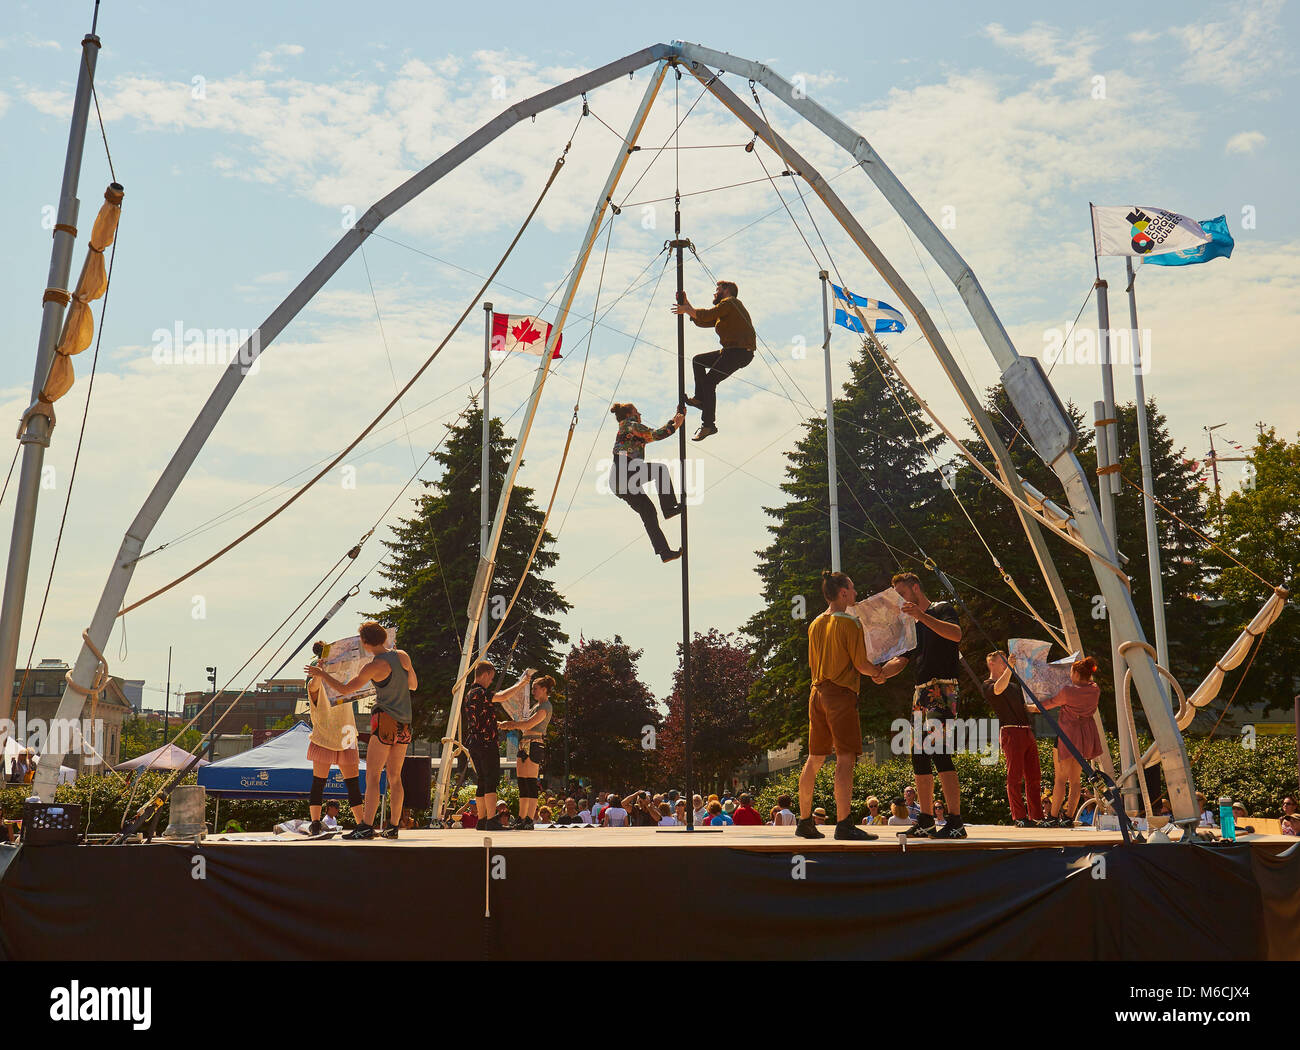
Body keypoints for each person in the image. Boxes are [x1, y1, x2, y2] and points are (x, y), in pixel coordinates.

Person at [876, 572, 967, 840]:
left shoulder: (941, 609)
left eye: (903, 593)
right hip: (920, 692)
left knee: (938, 750)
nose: (901, 600)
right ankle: (926, 819)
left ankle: (956, 821)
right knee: (918, 755)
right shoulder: (911, 626)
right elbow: (902, 660)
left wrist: (922, 616)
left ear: (916, 588)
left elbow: (956, 634)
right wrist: (880, 672)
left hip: (943, 688)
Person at [305, 621, 416, 840]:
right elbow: (413, 685)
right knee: (395, 777)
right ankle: (393, 827)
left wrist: (322, 674)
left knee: (373, 776)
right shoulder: (402, 656)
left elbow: (345, 689)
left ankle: (365, 826)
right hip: (405, 723)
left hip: (384, 721)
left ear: (364, 643)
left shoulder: (373, 666)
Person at [797, 570, 882, 842]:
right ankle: (844, 823)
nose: (856, 594)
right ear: (843, 593)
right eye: (853, 589)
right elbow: (861, 665)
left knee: (815, 758)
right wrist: (880, 671)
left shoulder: (814, 624)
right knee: (846, 758)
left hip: (816, 692)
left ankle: (804, 821)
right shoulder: (850, 623)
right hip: (840, 693)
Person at [670, 279, 757, 441]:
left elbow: (707, 315)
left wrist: (687, 308)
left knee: (710, 382)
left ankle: (708, 425)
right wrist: (686, 304)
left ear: (726, 290)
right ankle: (700, 398)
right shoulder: (726, 310)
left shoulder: (730, 303)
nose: (714, 292)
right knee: (698, 361)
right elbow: (703, 320)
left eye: (717, 289)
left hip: (740, 352)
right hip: (731, 351)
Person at [303, 640, 367, 837]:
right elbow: (313, 687)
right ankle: (315, 822)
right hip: (327, 733)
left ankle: (361, 824)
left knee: (351, 783)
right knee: (320, 781)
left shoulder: (343, 677)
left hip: (342, 732)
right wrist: (319, 673)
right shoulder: (316, 679)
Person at [608, 402, 686, 563]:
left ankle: (664, 553)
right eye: (638, 412)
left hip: (618, 482)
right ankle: (669, 508)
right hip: (625, 473)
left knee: (649, 513)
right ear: (630, 414)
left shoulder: (627, 428)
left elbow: (650, 435)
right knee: (660, 470)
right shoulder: (630, 425)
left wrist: (675, 419)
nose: (640, 415)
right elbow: (656, 434)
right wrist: (675, 426)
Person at [1033, 656, 1103, 827]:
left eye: (1071, 672)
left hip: (1066, 735)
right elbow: (1089, 682)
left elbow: (1045, 705)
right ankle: (1069, 817)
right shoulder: (1095, 690)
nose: (1069, 675)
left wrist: (1028, 706)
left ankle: (1052, 817)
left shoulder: (1068, 691)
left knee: (1060, 779)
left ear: (1077, 674)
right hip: (1084, 736)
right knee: (1075, 780)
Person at [984, 650, 1044, 828]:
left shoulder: (1014, 687)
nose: (1007, 663)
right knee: (1015, 776)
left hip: (1026, 731)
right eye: (1003, 661)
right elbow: (998, 689)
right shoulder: (988, 684)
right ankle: (1019, 816)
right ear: (991, 663)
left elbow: (1024, 707)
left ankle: (1037, 816)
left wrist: (1043, 705)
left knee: (1034, 776)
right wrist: (1010, 668)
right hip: (1010, 731)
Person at [459, 660, 513, 832]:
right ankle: (491, 820)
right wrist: (523, 682)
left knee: (482, 781)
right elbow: (503, 697)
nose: (491, 681)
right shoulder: (480, 692)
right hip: (486, 742)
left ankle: (482, 820)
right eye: (491, 678)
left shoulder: (470, 693)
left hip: (474, 741)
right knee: (490, 781)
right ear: (486, 674)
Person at [499, 673, 556, 831]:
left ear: (544, 689)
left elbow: (530, 723)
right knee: (523, 783)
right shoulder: (536, 706)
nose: (533, 692)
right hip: (524, 743)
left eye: (535, 689)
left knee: (531, 783)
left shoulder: (545, 707)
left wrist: (510, 724)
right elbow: (525, 722)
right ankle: (521, 817)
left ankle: (530, 818)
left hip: (535, 743)